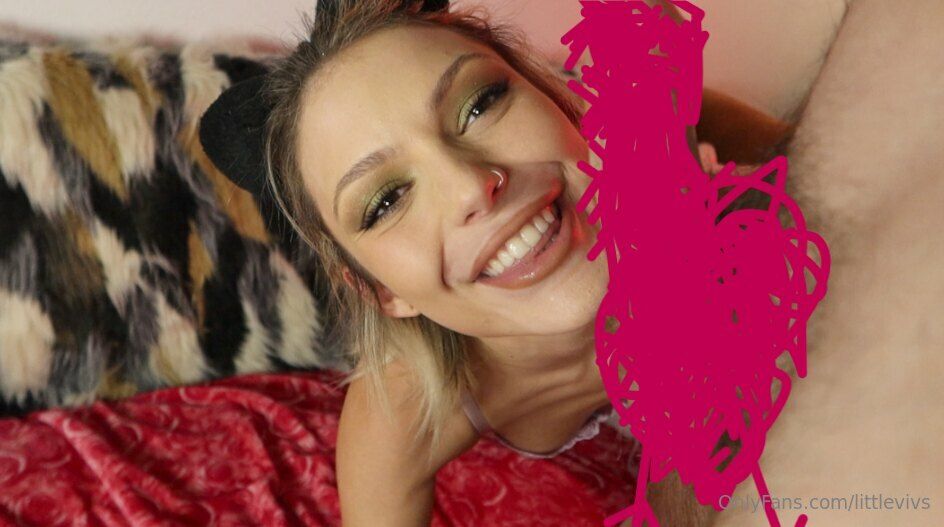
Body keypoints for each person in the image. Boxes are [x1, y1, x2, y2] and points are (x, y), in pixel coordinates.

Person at [198, 0, 787, 525]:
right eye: (387, 201)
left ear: (557, 100)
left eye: (480, 104)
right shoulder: (401, 414)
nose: (471, 188)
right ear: (382, 291)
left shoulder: (681, 171)